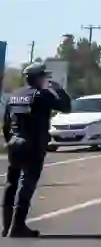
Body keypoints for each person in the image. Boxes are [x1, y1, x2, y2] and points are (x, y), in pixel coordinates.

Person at [2, 62, 72, 237]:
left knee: (11, 184)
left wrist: (10, 141)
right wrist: (59, 89)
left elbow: (6, 123)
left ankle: (6, 226)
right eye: (43, 76)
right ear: (38, 78)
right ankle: (17, 226)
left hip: (14, 144)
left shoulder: (14, 95)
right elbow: (66, 107)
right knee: (26, 185)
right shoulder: (42, 95)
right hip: (33, 146)